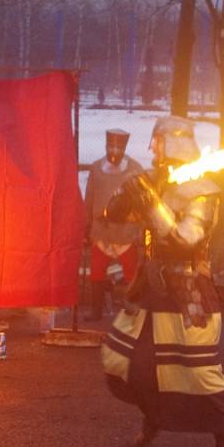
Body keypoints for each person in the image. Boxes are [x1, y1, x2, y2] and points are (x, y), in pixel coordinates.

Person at [99, 116, 224, 447]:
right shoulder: (158, 182)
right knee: (135, 363)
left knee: (199, 371)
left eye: (157, 141)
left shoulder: (203, 190)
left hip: (188, 294)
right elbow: (113, 215)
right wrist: (128, 190)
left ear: (173, 142)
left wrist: (148, 201)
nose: (151, 148)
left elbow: (182, 240)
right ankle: (153, 422)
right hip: (151, 290)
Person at [83, 129, 144, 321]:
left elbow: (142, 202)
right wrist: (86, 226)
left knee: (131, 274)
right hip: (101, 231)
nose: (114, 150)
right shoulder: (95, 169)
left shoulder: (135, 169)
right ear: (105, 145)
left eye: (118, 146)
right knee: (97, 272)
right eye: (111, 146)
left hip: (126, 231)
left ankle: (132, 311)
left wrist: (140, 228)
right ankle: (96, 311)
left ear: (124, 147)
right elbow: (90, 198)